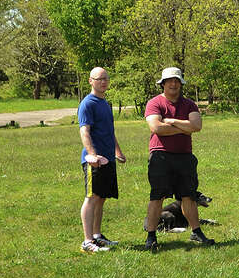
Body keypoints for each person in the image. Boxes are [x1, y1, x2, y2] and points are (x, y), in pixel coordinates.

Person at [143, 67, 215, 251]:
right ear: (163, 84)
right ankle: (151, 237)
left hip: (184, 156)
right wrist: (185, 127)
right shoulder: (154, 103)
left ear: (181, 83)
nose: (173, 84)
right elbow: (156, 128)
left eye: (176, 81)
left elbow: (197, 126)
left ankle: (196, 232)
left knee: (188, 196)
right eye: (169, 81)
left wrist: (172, 121)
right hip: (160, 155)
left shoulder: (189, 105)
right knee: (157, 196)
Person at [78, 67, 126, 253]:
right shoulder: (87, 104)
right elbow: (84, 130)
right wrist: (92, 154)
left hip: (108, 160)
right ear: (91, 81)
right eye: (99, 79)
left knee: (102, 198)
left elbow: (109, 132)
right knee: (92, 198)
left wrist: (117, 152)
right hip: (94, 161)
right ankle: (87, 241)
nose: (103, 82)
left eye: (106, 78)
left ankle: (97, 237)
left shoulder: (105, 103)